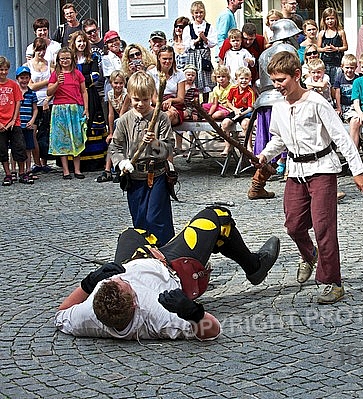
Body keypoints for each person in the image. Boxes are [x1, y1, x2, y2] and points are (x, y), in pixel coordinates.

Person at [55, 206, 281, 340]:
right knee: (215, 217)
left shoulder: (90, 315)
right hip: (171, 268)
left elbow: (61, 314)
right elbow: (212, 330)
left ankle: (166, 244)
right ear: (135, 302)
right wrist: (193, 313)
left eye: (113, 281)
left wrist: (89, 283)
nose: (118, 279)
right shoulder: (157, 314)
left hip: (134, 260)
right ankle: (254, 267)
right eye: (124, 284)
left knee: (131, 233)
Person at [257, 51, 363, 304]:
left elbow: (341, 137)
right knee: (294, 226)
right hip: (295, 172)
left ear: (297, 75)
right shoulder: (278, 107)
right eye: (273, 81)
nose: (277, 86)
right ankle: (309, 255)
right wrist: (264, 156)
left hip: (322, 170)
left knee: (323, 228)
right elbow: (279, 139)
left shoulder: (317, 103)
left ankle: (333, 281)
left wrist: (358, 171)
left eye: (281, 80)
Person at [109, 71, 175, 246]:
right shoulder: (124, 121)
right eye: (136, 99)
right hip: (135, 178)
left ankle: (165, 254)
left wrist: (154, 142)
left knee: (157, 218)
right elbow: (115, 147)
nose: (140, 104)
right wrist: (122, 162)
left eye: (145, 100)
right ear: (129, 96)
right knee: (140, 220)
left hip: (157, 176)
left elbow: (168, 148)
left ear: (152, 96)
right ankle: (145, 255)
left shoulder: (161, 118)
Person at [245, 19, 301, 199]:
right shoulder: (289, 50)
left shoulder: (263, 54)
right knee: (290, 139)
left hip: (265, 101)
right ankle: (296, 183)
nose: (296, 38)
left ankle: (257, 185)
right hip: (284, 99)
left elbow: (261, 82)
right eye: (294, 35)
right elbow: (294, 77)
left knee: (270, 142)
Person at [47, 47, 88, 179]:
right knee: (62, 139)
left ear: (72, 59)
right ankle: (65, 170)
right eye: (62, 59)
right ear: (58, 60)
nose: (65, 61)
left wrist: (86, 108)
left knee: (76, 138)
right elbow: (49, 92)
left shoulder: (77, 74)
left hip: (75, 108)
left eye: (67, 58)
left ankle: (77, 169)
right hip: (60, 109)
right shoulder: (55, 74)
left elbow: (84, 91)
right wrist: (58, 83)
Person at [70, 31, 107, 171]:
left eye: (84, 41)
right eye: (79, 41)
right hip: (73, 95)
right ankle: (75, 162)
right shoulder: (70, 59)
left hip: (90, 95)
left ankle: (94, 161)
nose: (82, 44)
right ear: (74, 43)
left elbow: (95, 76)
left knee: (91, 123)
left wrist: (77, 81)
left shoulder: (92, 58)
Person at [0, 57, 32, 186]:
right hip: (1, 123)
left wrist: (13, 119)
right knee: (2, 150)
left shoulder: (13, 85)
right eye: (1, 70)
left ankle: (22, 173)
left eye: (5, 69)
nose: (3, 72)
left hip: (14, 122)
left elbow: (18, 102)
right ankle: (8, 174)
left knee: (19, 147)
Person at [27, 37, 55, 174]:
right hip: (34, 103)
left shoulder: (49, 64)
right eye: (39, 50)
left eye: (43, 50)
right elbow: (31, 86)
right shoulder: (29, 65)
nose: (41, 53)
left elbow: (54, 83)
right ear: (34, 50)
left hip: (48, 101)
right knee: (33, 133)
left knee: (46, 133)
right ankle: (36, 162)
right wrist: (46, 81)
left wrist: (48, 98)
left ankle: (44, 162)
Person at [96, 70, 127, 183]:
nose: (118, 86)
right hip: (117, 121)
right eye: (116, 83)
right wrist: (110, 132)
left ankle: (117, 169)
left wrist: (114, 133)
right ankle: (108, 170)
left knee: (116, 139)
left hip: (126, 120)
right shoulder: (110, 94)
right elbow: (110, 113)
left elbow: (123, 113)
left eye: (120, 83)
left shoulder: (126, 94)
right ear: (111, 83)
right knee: (112, 141)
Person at [183, 1, 217, 102]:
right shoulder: (188, 28)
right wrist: (197, 40)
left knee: (206, 79)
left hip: (204, 55)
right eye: (196, 13)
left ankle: (205, 103)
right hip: (193, 55)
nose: (199, 15)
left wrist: (204, 38)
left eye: (201, 12)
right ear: (193, 14)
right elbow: (186, 45)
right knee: (193, 78)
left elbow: (213, 43)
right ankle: (194, 104)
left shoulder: (209, 27)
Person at [218, 22, 267, 88]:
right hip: (232, 78)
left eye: (251, 39)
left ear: (255, 36)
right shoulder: (230, 42)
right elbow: (221, 61)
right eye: (245, 38)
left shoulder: (260, 41)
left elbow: (262, 62)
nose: (248, 42)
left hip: (248, 78)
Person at [148, 45, 186, 128]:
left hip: (175, 106)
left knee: (168, 116)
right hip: (157, 106)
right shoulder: (151, 74)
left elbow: (181, 98)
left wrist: (171, 101)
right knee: (163, 116)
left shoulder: (180, 74)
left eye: (170, 58)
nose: (167, 61)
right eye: (164, 59)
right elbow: (154, 99)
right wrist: (167, 106)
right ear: (159, 58)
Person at [221, 66, 255, 155]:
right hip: (236, 110)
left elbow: (250, 108)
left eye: (246, 79)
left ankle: (248, 146)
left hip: (246, 112)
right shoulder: (233, 89)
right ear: (236, 79)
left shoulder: (250, 92)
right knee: (225, 124)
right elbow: (228, 102)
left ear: (250, 79)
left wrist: (241, 113)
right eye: (241, 78)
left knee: (246, 124)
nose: (244, 81)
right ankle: (227, 145)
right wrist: (235, 109)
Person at [16, 66, 38, 180]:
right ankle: (15, 170)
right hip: (17, 125)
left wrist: (32, 120)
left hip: (28, 124)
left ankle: (28, 169)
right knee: (16, 148)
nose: (24, 80)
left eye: (26, 78)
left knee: (28, 148)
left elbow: (35, 109)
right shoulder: (15, 92)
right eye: (21, 78)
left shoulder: (31, 93)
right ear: (17, 79)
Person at [316, 7, 348, 83]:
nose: (330, 21)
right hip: (325, 63)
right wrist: (324, 49)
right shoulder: (322, 33)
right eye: (327, 19)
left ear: (336, 19)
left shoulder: (340, 32)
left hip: (337, 62)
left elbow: (345, 47)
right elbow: (318, 48)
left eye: (332, 18)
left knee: (336, 83)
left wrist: (336, 49)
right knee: (326, 82)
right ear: (324, 20)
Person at [101, 30, 123, 104]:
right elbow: (112, 76)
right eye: (110, 42)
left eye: (116, 40)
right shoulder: (106, 58)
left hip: (125, 93)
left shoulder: (124, 55)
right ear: (106, 45)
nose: (114, 43)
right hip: (112, 92)